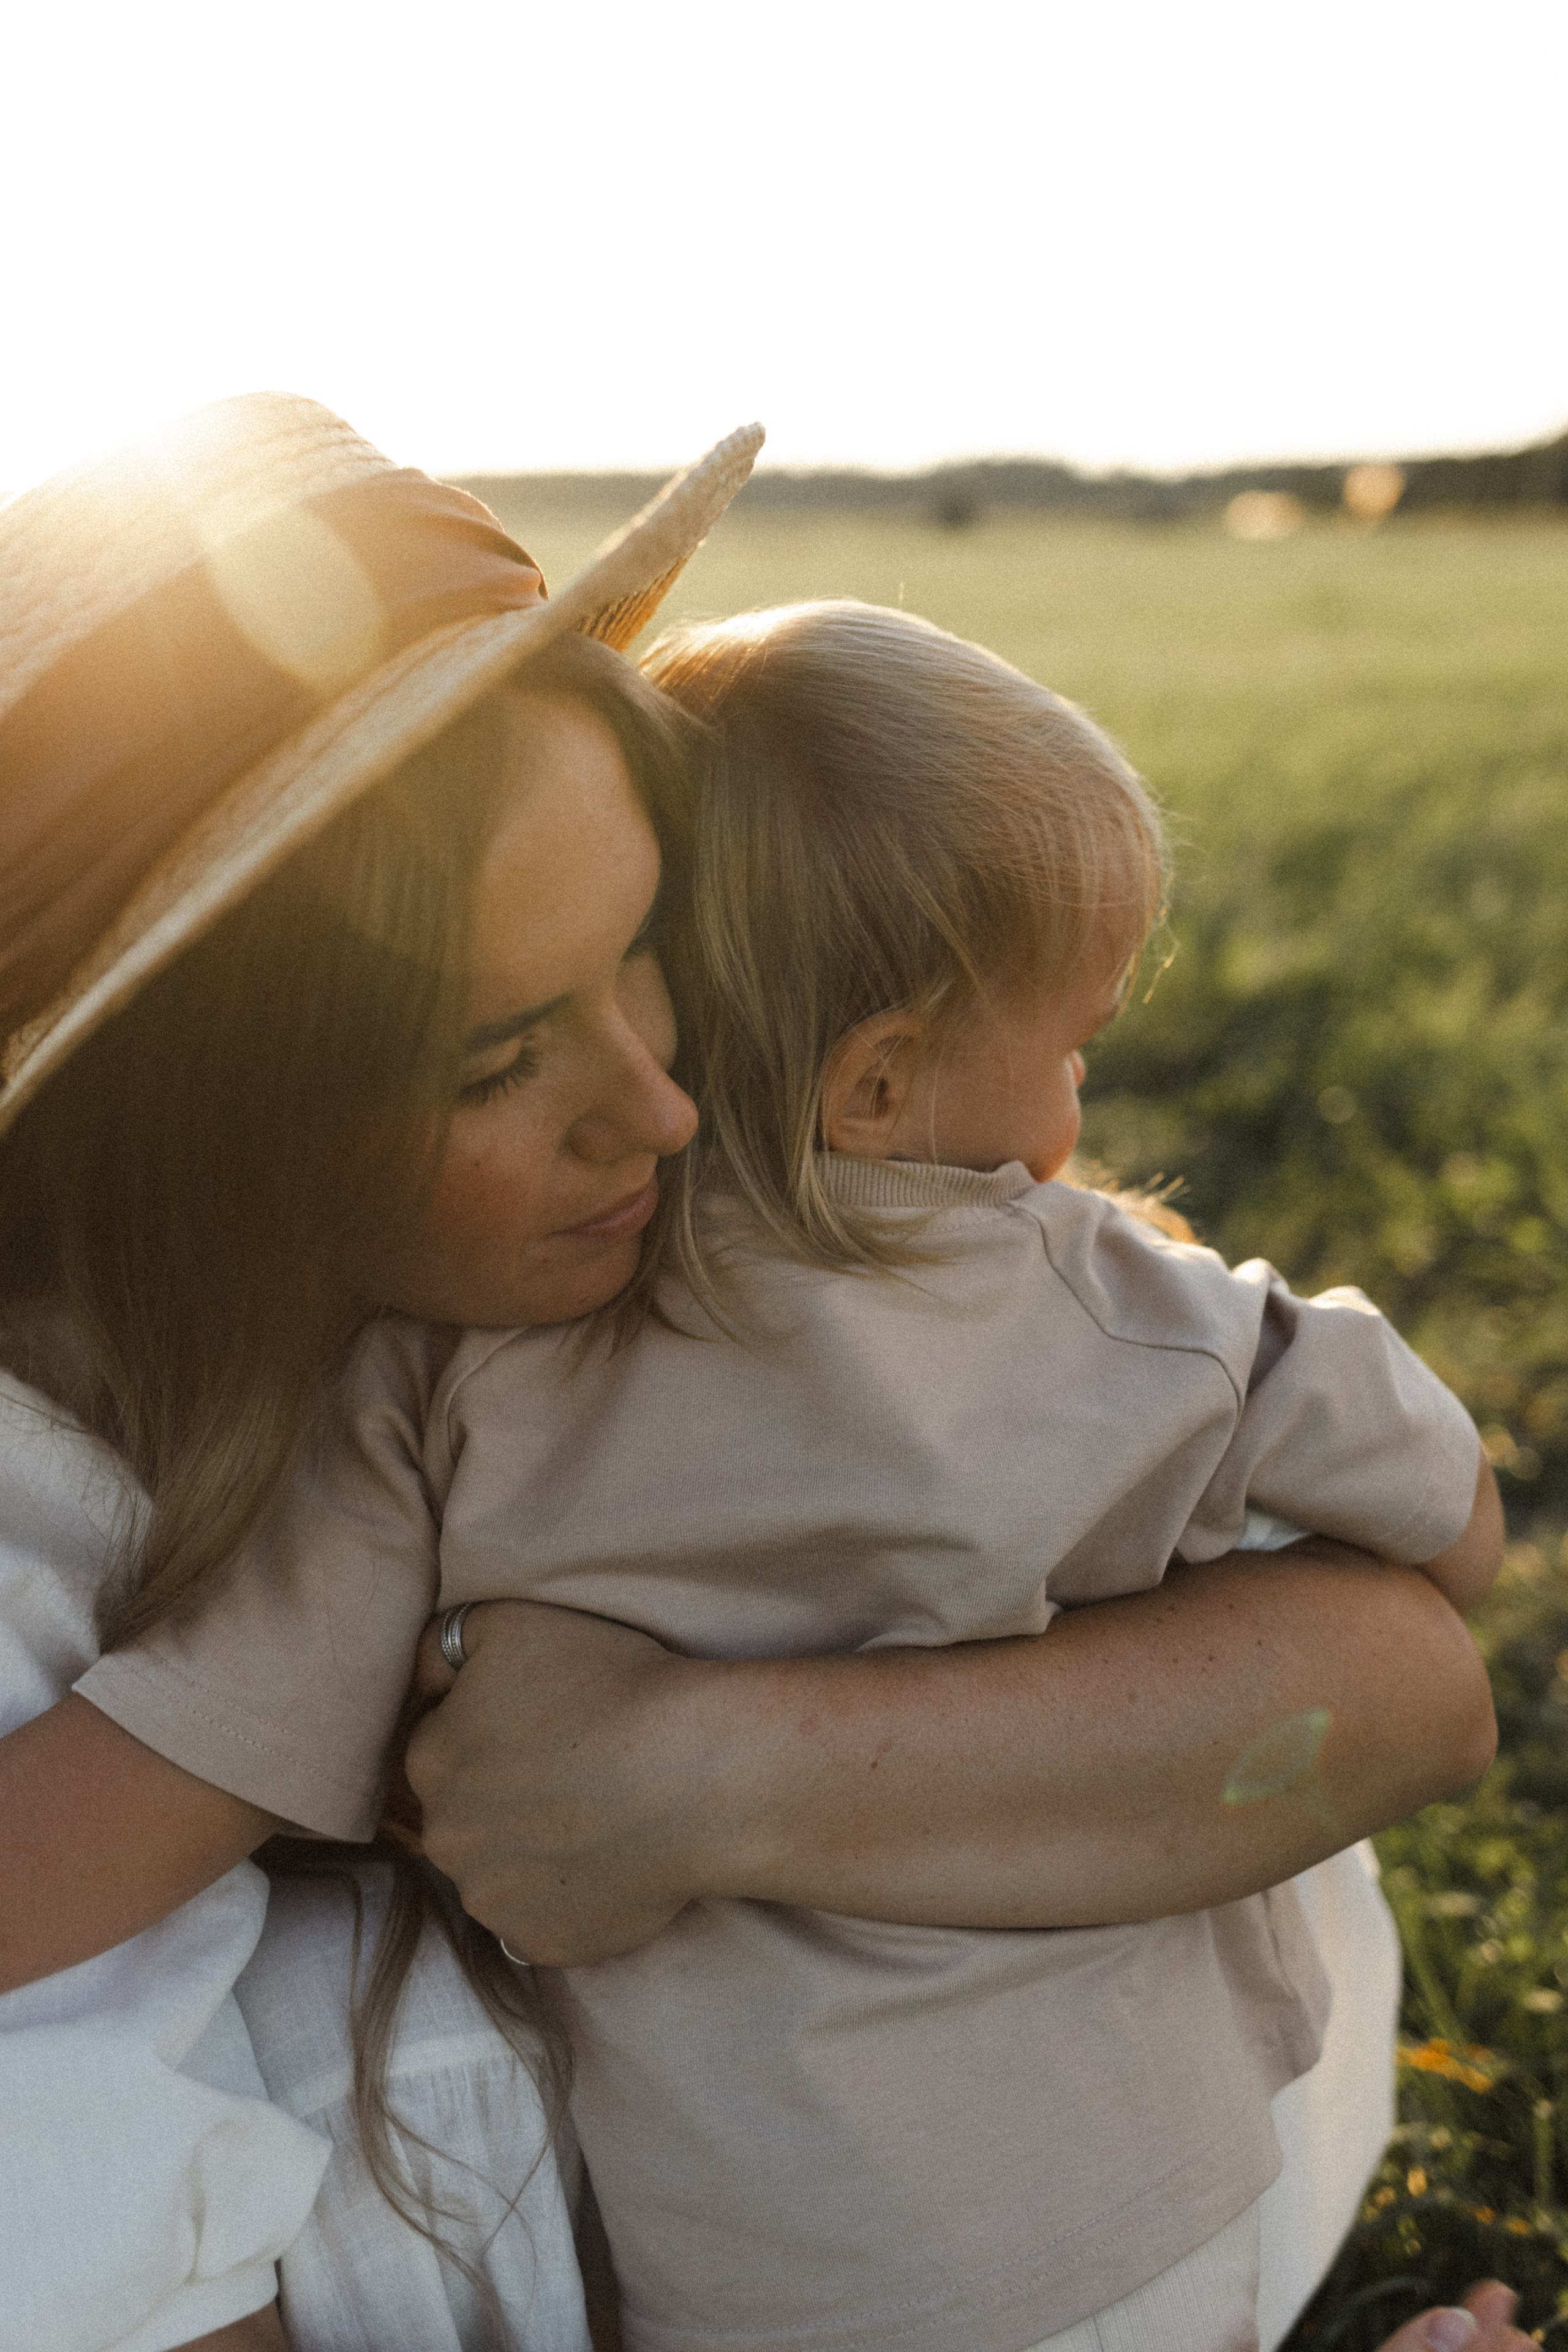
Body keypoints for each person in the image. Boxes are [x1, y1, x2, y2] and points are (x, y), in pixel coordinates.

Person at [0, 400, 1494, 2352]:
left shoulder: (802, 1257)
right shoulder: (212, 1462)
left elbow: (1412, 1693)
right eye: (492, 1057)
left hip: (1166, 2159)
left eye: (649, 947)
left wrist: (710, 1773)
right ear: (196, 1118)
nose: (668, 1103)